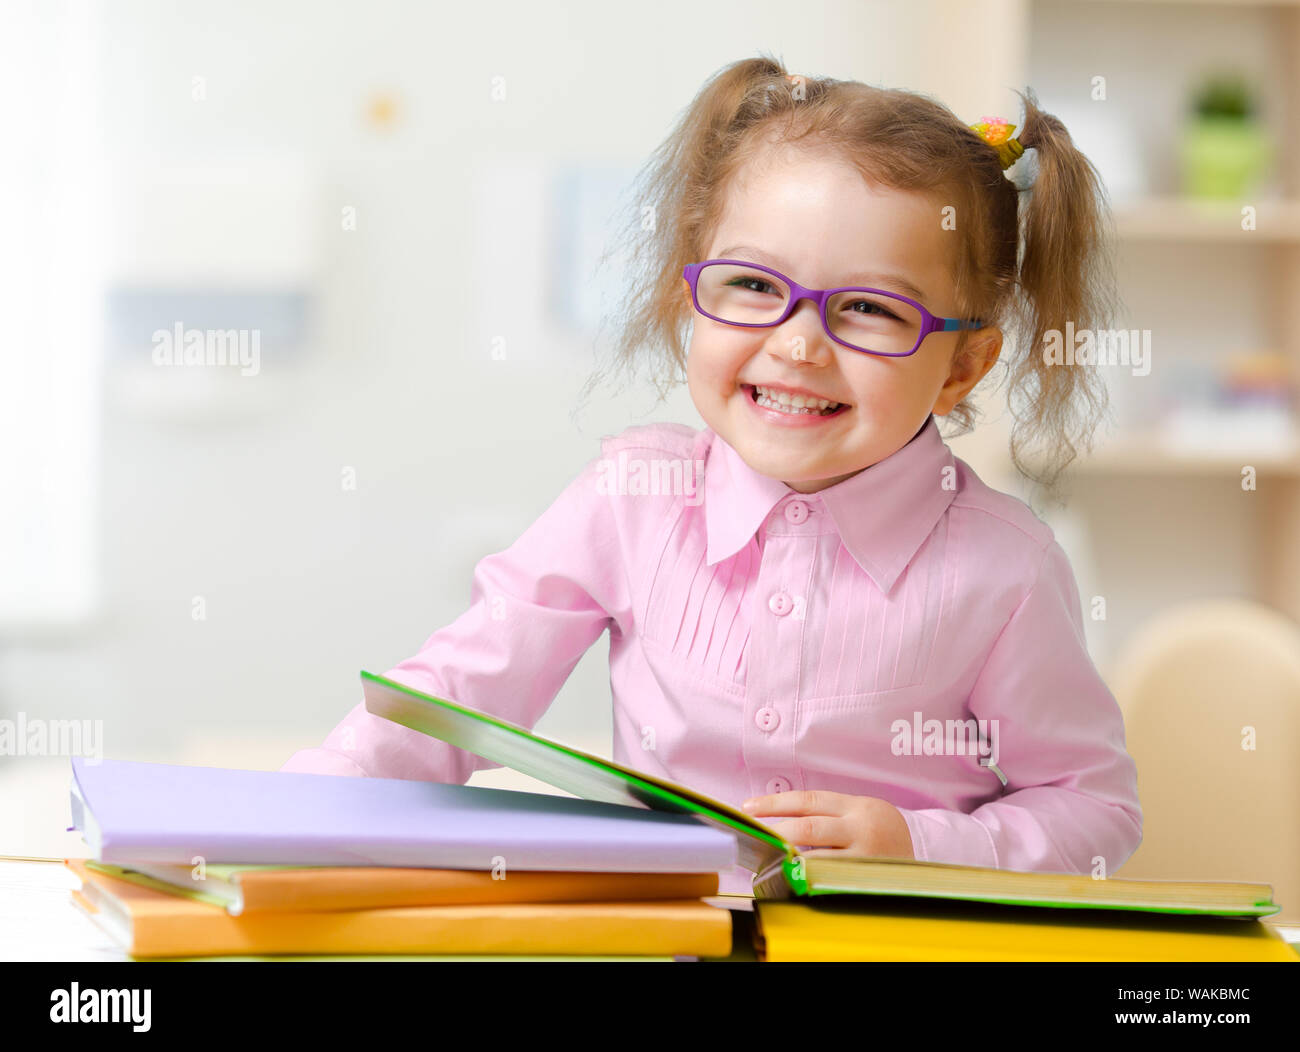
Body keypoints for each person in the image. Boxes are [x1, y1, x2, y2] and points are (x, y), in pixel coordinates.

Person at [281, 54, 1141, 896]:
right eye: (753, 285)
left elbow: (1094, 810)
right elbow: (462, 690)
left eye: (870, 308)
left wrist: (918, 842)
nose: (799, 343)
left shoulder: (1008, 569)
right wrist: (320, 800)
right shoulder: (631, 500)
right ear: (694, 287)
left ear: (963, 365)